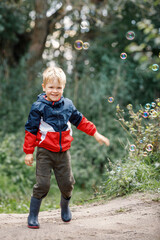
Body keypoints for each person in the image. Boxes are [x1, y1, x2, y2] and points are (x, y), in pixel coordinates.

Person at [23, 66, 110, 229]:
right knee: (42, 185)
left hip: (63, 153)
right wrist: (29, 152)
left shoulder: (68, 105)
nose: (54, 91)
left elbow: (80, 120)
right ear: (44, 87)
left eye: (58, 87)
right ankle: (33, 215)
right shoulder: (38, 107)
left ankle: (65, 206)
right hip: (45, 152)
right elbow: (31, 130)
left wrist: (95, 133)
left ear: (63, 87)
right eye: (51, 87)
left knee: (68, 184)